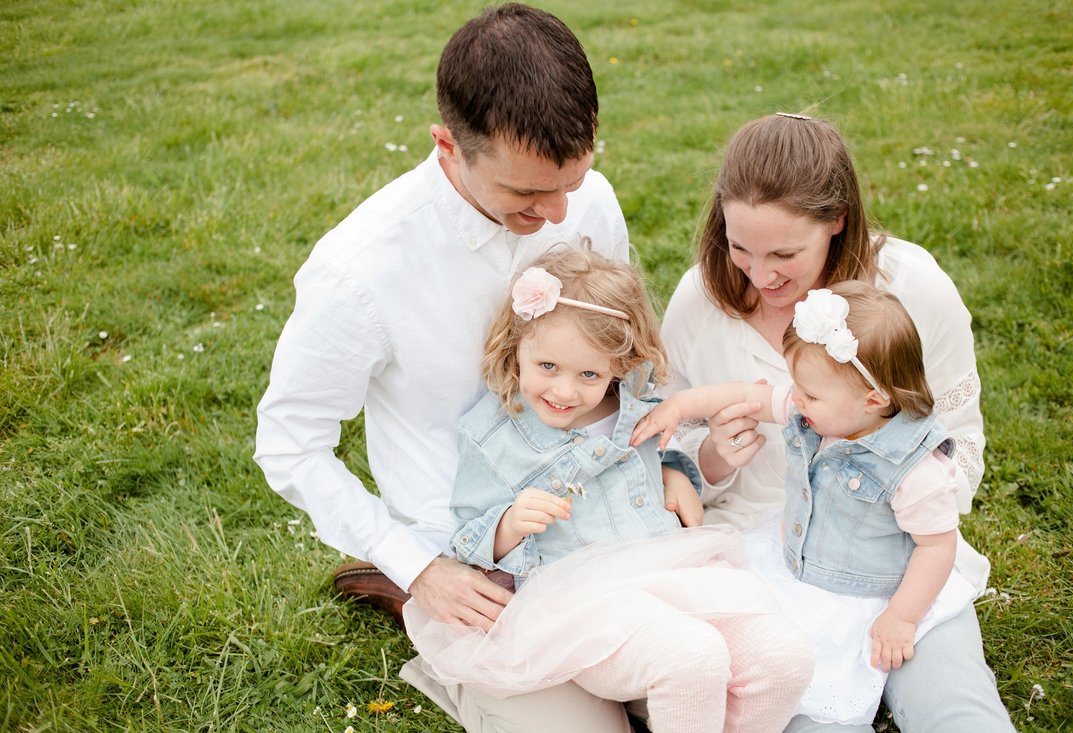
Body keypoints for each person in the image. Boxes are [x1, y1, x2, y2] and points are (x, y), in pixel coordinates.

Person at [254, 5, 641, 731]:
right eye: (528, 194)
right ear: (447, 146)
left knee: (725, 690)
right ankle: (416, 614)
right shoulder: (362, 269)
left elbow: (617, 360)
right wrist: (416, 566)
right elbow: (289, 441)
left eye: (573, 179)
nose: (561, 212)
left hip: (604, 524)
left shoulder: (588, 198)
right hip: (468, 564)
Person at [659, 113, 1014, 732]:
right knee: (808, 718)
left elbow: (961, 437)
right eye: (740, 247)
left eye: (785, 254)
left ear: (838, 221)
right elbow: (671, 467)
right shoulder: (699, 303)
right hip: (762, 562)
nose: (761, 275)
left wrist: (903, 512)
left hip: (901, 558)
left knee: (957, 711)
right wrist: (713, 458)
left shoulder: (911, 289)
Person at [404, 248, 813, 733]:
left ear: (618, 368)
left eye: (589, 375)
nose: (564, 391)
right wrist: (508, 524)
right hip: (580, 605)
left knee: (784, 659)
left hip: (671, 575)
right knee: (690, 658)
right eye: (548, 366)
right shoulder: (496, 436)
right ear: (517, 348)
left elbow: (655, 465)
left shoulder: (638, 407)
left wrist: (677, 470)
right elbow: (467, 536)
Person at [635, 281, 985, 725]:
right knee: (798, 694)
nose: (796, 400)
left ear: (874, 399)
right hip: (803, 579)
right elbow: (751, 396)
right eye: (797, 387)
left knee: (852, 689)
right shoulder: (824, 409)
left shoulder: (915, 470)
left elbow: (936, 546)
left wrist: (900, 617)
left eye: (810, 394)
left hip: (877, 590)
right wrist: (681, 406)